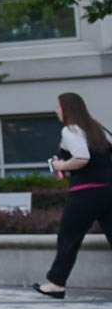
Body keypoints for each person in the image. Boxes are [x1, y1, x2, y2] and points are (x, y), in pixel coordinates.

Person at [31, 93, 112, 298]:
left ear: (68, 109)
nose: (56, 111)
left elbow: (82, 158)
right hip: (108, 189)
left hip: (86, 192)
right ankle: (56, 282)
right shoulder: (96, 128)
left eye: (58, 107)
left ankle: (57, 284)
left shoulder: (70, 130)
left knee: (68, 237)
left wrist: (60, 165)